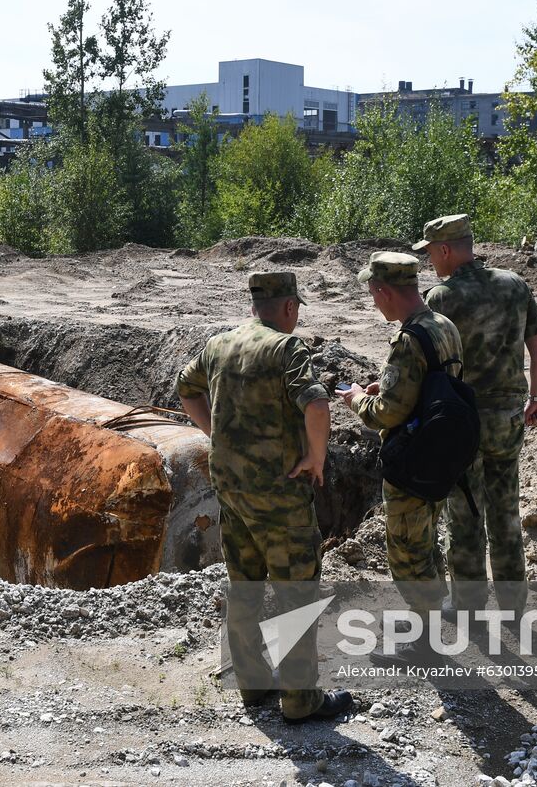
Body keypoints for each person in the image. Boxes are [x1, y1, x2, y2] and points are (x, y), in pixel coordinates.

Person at [176, 271, 353, 724]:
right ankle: (300, 700)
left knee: (245, 584)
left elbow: (186, 388)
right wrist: (316, 458)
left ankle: (253, 685)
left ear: (256, 304)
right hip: (279, 496)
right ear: (291, 308)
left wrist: (216, 435)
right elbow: (316, 403)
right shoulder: (286, 348)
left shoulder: (219, 344)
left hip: (232, 490)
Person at [415, 214, 537, 615]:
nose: (430, 264)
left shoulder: (441, 298)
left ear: (444, 250)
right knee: (506, 511)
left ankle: (469, 605)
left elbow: (428, 364)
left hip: (462, 423)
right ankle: (513, 605)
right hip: (509, 417)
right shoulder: (515, 285)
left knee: (465, 513)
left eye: (430, 255)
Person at [337, 251, 463, 613]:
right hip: (442, 455)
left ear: (384, 291)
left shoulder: (408, 340)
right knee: (425, 540)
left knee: (407, 549)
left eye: (373, 295)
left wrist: (358, 399)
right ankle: (432, 619)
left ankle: (422, 642)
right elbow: (437, 383)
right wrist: (389, 387)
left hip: (413, 462)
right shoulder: (443, 324)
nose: (375, 303)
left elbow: (386, 415)